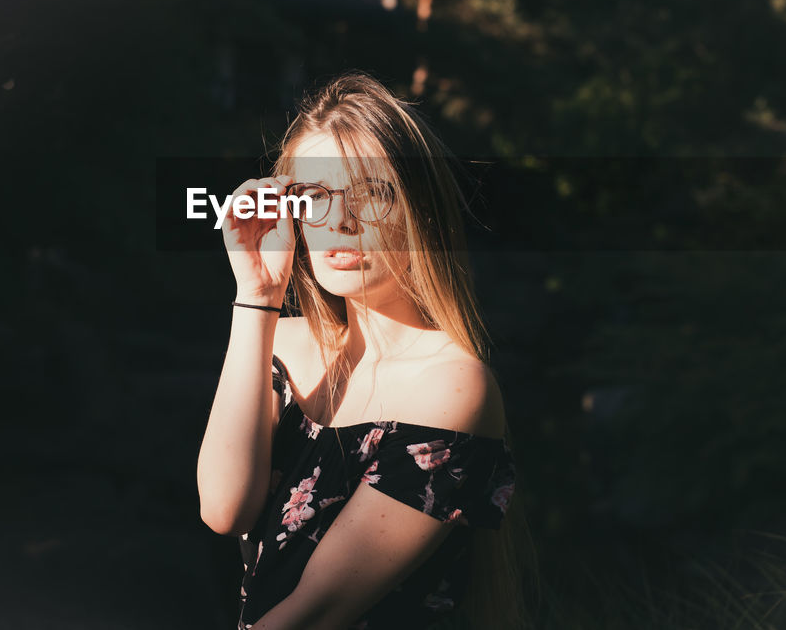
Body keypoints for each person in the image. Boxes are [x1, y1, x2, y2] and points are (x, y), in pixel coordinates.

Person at [197, 71, 538, 629]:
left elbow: (314, 615)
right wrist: (256, 295)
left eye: (372, 194)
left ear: (420, 208)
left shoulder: (451, 386)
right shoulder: (278, 340)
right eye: (316, 198)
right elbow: (223, 509)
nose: (342, 223)